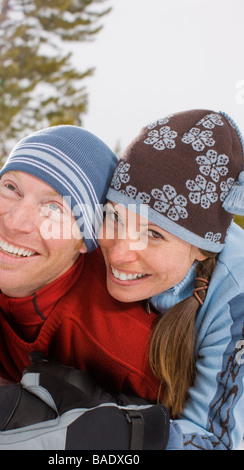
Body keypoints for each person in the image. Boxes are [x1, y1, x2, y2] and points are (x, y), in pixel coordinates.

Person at [0, 125, 168, 450]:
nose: (14, 222)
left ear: (86, 240)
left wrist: (120, 433)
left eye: (54, 209)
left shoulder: (125, 342)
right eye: (11, 188)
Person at [100, 108, 244, 450]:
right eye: (116, 218)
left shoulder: (235, 303)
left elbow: (216, 442)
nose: (119, 253)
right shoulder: (97, 234)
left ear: (202, 250)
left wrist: (117, 440)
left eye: (154, 234)